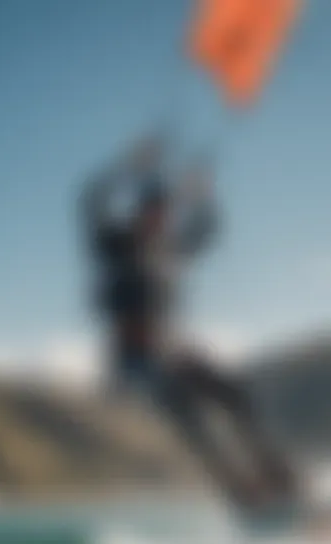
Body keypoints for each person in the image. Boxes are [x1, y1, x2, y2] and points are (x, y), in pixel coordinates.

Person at [80, 136, 302, 517]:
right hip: (137, 361)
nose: (158, 220)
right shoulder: (116, 243)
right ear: (139, 213)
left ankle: (277, 479)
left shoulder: (169, 249)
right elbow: (90, 201)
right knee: (197, 423)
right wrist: (125, 166)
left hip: (172, 352)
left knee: (235, 395)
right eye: (151, 212)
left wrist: (202, 192)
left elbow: (208, 229)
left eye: (163, 213)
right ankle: (244, 496)